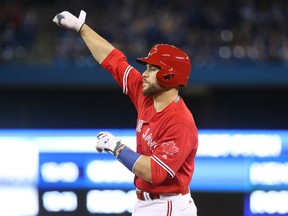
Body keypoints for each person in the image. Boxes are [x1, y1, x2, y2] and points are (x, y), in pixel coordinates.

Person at [53, 10, 198, 216]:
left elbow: (154, 173)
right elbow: (114, 61)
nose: (145, 74)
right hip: (146, 203)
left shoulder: (180, 122)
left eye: (151, 69)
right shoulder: (146, 95)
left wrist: (116, 147)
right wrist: (81, 28)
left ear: (169, 75)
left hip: (169, 205)